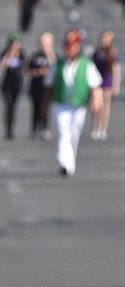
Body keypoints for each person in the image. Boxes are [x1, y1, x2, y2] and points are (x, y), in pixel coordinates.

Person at [52, 29, 103, 176]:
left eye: (73, 46)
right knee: (63, 132)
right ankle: (64, 163)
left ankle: (70, 159)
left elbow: (96, 86)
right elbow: (48, 85)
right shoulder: (59, 64)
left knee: (74, 133)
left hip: (78, 105)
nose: (70, 50)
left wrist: (96, 103)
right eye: (68, 46)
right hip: (61, 104)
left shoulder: (87, 65)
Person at [91, 31, 121, 140]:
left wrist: (116, 85)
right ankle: (95, 126)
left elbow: (115, 70)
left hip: (107, 81)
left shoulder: (112, 53)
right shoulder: (97, 53)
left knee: (105, 106)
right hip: (97, 81)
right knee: (97, 105)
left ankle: (103, 128)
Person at [27, 32, 56, 139]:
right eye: (42, 43)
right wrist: (38, 72)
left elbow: (57, 67)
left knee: (46, 108)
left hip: (48, 88)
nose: (44, 46)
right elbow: (28, 71)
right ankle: (34, 128)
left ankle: (45, 128)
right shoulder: (35, 56)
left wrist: (50, 54)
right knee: (35, 107)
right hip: (36, 86)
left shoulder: (53, 56)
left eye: (47, 43)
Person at [0, 34, 26, 140]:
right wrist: (9, 54)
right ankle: (8, 130)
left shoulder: (21, 54)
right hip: (7, 84)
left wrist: (17, 53)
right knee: (9, 106)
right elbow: (2, 66)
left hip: (17, 84)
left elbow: (25, 66)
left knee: (14, 107)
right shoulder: (5, 53)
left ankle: (12, 129)